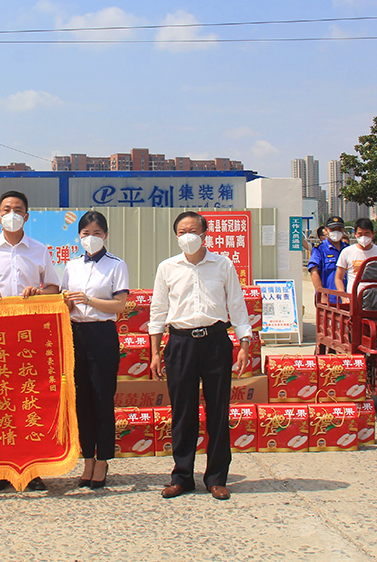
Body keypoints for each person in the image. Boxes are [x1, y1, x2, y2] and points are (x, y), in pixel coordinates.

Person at [149, 211, 251, 501]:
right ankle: (182, 477)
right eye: (182, 232)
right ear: (176, 236)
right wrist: (155, 352)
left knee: (218, 410)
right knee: (183, 412)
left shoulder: (223, 264)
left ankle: (216, 478)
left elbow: (237, 305)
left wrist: (245, 344)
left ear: (205, 234)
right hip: (180, 343)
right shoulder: (167, 267)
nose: (188, 236)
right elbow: (158, 310)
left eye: (193, 231)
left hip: (215, 341)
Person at [0, 190, 60, 491]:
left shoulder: (39, 250)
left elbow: (54, 287)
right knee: (0, 402)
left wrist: (38, 292)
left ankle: (32, 469)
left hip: (29, 337)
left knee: (30, 401)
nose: (12, 215)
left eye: (18, 210)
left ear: (27, 216)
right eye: (6, 210)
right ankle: (0, 470)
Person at [61, 211, 130, 489]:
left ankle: (103, 460)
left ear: (106, 235)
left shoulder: (116, 265)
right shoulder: (72, 266)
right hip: (76, 334)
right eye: (86, 234)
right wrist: (66, 303)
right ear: (79, 236)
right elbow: (65, 303)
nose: (91, 238)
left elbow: (119, 305)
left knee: (102, 398)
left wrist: (89, 300)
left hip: (102, 334)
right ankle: (87, 458)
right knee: (82, 400)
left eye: (97, 233)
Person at [334, 218, 377, 295]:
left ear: (373, 233)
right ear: (355, 233)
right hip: (354, 297)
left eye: (367, 233)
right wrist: (344, 297)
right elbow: (338, 278)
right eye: (360, 234)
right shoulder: (347, 252)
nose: (363, 237)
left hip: (375, 297)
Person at [308, 217, 347, 297]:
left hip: (347, 296)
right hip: (328, 297)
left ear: (343, 230)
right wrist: (322, 295)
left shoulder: (348, 249)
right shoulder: (319, 249)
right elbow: (314, 273)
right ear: (326, 230)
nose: (336, 232)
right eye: (333, 229)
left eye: (339, 229)